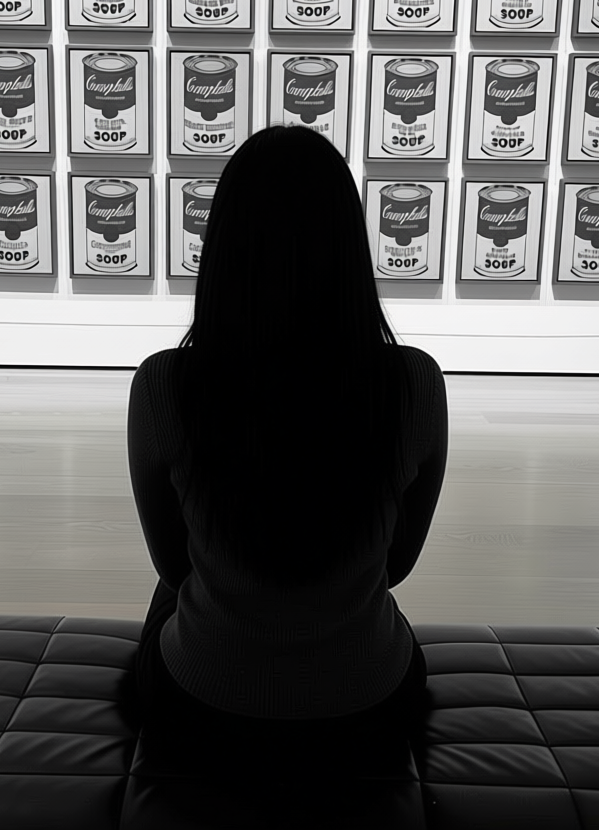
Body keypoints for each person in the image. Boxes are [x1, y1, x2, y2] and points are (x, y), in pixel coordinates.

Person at [127, 124, 448, 774]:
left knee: (169, 593)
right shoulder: (414, 383)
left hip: (204, 707)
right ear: (350, 248)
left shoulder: (165, 384)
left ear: (223, 250)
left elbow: (173, 564)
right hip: (369, 710)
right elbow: (396, 565)